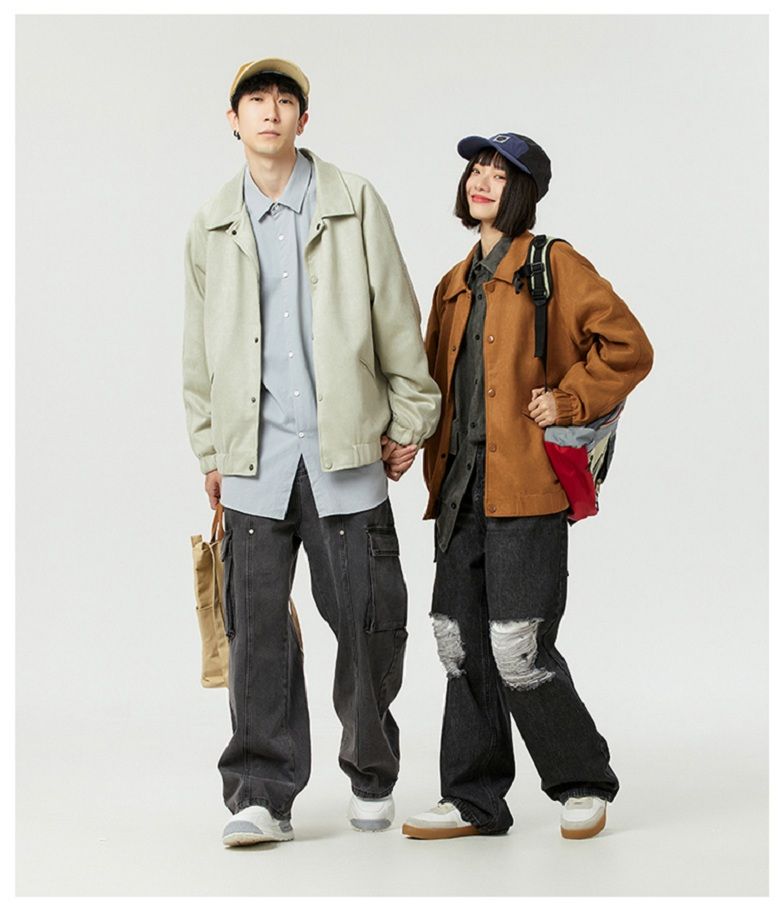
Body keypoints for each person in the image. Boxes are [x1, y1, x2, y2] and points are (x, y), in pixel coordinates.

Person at [182, 57, 440, 847]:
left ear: (303, 118)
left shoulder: (353, 202)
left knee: (368, 623)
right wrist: (211, 448)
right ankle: (261, 794)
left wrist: (411, 417)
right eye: (256, 100)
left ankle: (371, 772)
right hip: (253, 462)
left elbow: (396, 313)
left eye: (285, 99)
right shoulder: (211, 223)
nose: (271, 111)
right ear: (233, 119)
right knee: (256, 636)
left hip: (346, 454)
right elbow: (198, 350)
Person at [402, 132, 653, 841]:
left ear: (525, 193)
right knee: (459, 646)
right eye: (475, 170)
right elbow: (431, 385)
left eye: (499, 174)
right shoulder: (453, 284)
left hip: (526, 494)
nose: (481, 181)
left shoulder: (554, 264)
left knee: (519, 647)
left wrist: (569, 400)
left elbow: (630, 347)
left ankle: (582, 782)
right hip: (459, 494)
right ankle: (474, 799)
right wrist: (401, 438)